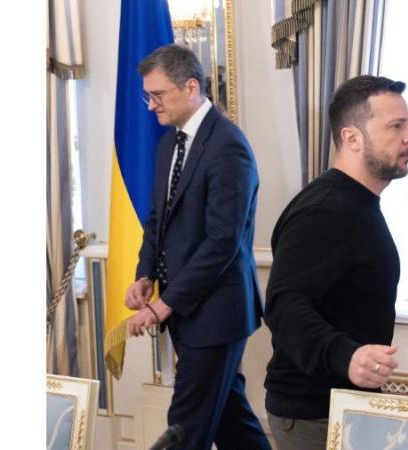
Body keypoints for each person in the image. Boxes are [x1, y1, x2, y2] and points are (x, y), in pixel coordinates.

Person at [124, 44, 270, 450]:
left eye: (158, 95)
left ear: (191, 87)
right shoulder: (168, 144)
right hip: (188, 312)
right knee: (231, 422)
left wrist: (164, 305)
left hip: (217, 312)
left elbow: (223, 242)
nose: (151, 105)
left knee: (185, 428)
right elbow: (158, 219)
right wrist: (145, 274)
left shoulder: (228, 146)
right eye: (147, 95)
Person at [263, 75, 408, 450]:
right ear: (352, 138)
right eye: (396, 126)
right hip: (314, 414)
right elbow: (283, 304)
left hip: (343, 406)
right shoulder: (325, 210)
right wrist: (346, 355)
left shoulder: (356, 202)